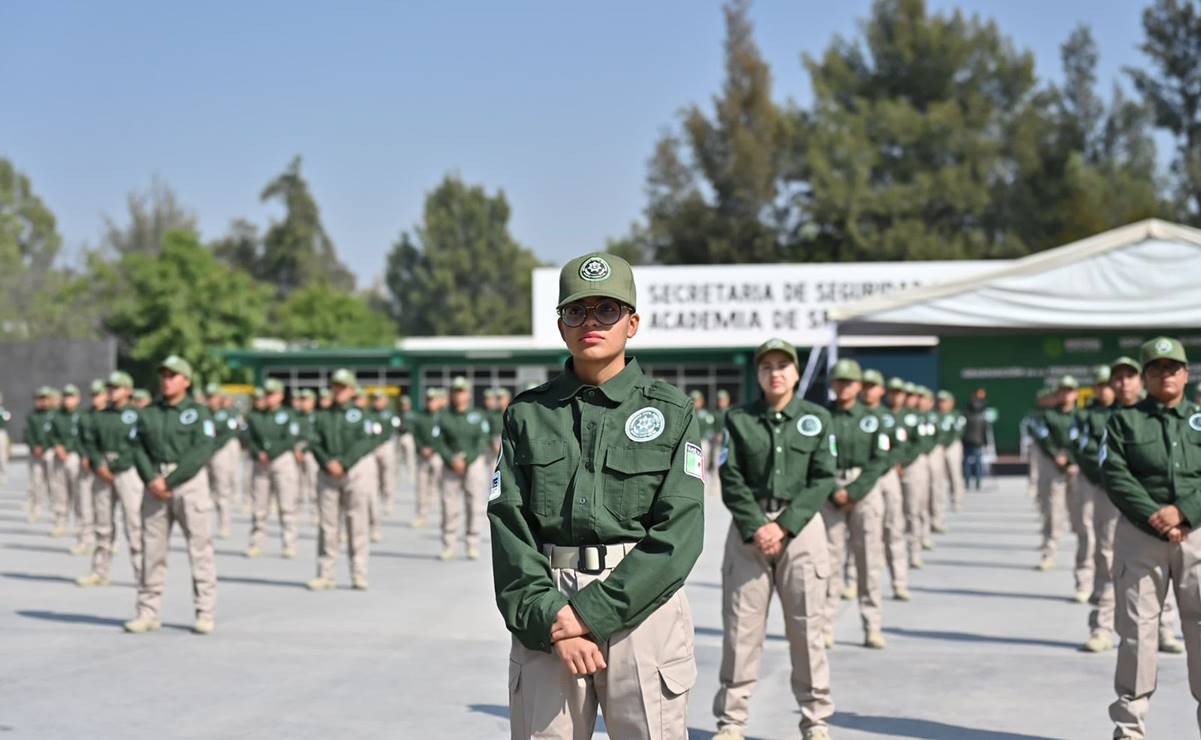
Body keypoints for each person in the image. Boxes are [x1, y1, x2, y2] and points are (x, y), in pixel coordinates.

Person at [489, 252, 703, 739]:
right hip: (549, 603)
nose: (591, 322)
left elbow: (680, 535)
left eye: (607, 310)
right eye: (577, 311)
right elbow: (508, 526)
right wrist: (552, 618)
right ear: (561, 325)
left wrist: (588, 616)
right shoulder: (528, 414)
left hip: (642, 605)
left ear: (632, 323)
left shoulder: (672, 412)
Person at [711, 337, 834, 740]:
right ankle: (732, 723)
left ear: (797, 373)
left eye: (783, 365)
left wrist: (784, 525)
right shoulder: (740, 419)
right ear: (758, 373)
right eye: (767, 366)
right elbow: (730, 477)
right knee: (741, 631)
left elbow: (823, 478)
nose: (775, 373)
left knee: (807, 629)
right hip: (750, 528)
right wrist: (758, 524)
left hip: (800, 527)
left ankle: (815, 722)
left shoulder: (816, 418)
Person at [1102, 336, 1201, 736]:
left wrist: (1184, 513)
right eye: (1156, 368)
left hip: (1196, 535)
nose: (1166, 374)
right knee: (1137, 632)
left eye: (1173, 367)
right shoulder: (1124, 421)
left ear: (1186, 373)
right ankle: (1129, 728)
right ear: (1145, 377)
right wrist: (1156, 517)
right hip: (1141, 537)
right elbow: (1116, 476)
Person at [1084, 356, 1183, 654]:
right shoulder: (1101, 416)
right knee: (1106, 558)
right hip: (1111, 495)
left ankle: (1164, 628)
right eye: (1118, 378)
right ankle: (1101, 628)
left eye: (1130, 376)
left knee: (1162, 562)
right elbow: (1091, 454)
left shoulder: (1156, 413)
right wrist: (1118, 482)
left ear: (1140, 380)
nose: (1123, 382)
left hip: (1154, 504)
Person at [124, 356, 219, 635]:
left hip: (188, 483)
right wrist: (151, 478)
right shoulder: (149, 412)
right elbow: (137, 447)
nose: (167, 380)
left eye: (173, 375)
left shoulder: (198, 412)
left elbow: (202, 449)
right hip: (155, 483)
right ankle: (147, 611)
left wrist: (171, 480)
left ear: (186, 381)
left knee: (200, 549)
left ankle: (205, 611)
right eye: (164, 375)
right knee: (151, 551)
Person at [822, 359, 891, 650]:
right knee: (828, 562)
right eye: (838, 381)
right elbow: (817, 457)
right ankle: (825, 627)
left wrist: (854, 491)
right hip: (830, 491)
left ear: (859, 386)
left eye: (849, 382)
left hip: (864, 490)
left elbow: (881, 459)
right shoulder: (823, 417)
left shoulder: (873, 419)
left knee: (868, 562)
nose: (844, 387)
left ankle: (871, 625)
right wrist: (833, 490)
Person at [307, 369, 377, 591]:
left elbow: (365, 441)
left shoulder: (361, 414)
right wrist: (328, 462)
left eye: (343, 387)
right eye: (335, 386)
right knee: (328, 526)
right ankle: (325, 574)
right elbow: (313, 441)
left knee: (357, 523)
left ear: (351, 390)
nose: (338, 391)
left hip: (354, 472)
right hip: (328, 473)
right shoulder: (322, 415)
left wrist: (344, 463)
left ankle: (359, 574)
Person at [75, 371, 143, 588]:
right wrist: (99, 463)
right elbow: (91, 442)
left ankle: (143, 573)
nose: (112, 391)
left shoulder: (137, 414)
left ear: (128, 390)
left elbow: (138, 445)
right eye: (110, 388)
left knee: (133, 523)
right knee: (102, 525)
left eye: (117, 387)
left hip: (127, 471)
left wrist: (113, 465)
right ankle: (99, 571)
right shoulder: (100, 415)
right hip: (102, 470)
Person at [434, 376, 490, 561]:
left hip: (472, 463)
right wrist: (451, 459)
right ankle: (448, 544)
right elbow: (438, 440)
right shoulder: (443, 415)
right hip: (450, 465)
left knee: (474, 504)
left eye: (462, 391)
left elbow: (482, 439)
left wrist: (468, 459)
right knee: (449, 506)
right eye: (456, 391)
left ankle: (472, 544)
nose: (459, 395)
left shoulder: (477, 415)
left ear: (468, 394)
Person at [865, 373, 910, 601]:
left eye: (872, 387)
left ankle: (899, 582)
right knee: (861, 535)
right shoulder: (858, 415)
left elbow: (900, 445)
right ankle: (852, 581)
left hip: (886, 475)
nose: (868, 391)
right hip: (863, 478)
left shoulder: (888, 417)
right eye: (865, 386)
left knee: (893, 528)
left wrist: (886, 464)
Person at [244, 379, 300, 559]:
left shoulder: (288, 414)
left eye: (272, 394)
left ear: (280, 396)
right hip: (261, 464)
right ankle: (256, 543)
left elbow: (290, 439)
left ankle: (289, 543)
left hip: (281, 461)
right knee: (259, 506)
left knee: (286, 505)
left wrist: (270, 451)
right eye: (266, 394)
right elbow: (248, 438)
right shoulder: (255, 416)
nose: (268, 397)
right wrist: (258, 452)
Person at [1033, 376, 1079, 574]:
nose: (1066, 394)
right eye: (1062, 390)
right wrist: (1058, 456)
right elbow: (1044, 438)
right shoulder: (1048, 415)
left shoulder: (1081, 415)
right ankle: (1049, 553)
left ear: (1076, 393)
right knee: (1053, 512)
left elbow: (1084, 440)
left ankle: (1086, 558)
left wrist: (1072, 459)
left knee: (1082, 516)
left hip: (1078, 468)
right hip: (1055, 467)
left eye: (1070, 390)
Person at [71, 380, 108, 556]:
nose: (95, 398)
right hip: (86, 466)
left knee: (105, 508)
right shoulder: (85, 416)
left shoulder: (110, 415)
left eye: (98, 394)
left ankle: (108, 542)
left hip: (105, 467)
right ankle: (85, 540)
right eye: (93, 395)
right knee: (84, 504)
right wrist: (83, 455)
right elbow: (77, 439)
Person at [47, 384, 83, 540]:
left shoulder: (82, 415)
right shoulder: (56, 415)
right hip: (58, 456)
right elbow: (50, 433)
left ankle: (81, 524)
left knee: (79, 493)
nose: (68, 400)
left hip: (74, 456)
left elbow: (83, 436)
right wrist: (57, 446)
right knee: (59, 491)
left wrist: (68, 448)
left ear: (77, 398)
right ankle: (60, 522)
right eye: (66, 396)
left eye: (71, 396)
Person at [205, 383, 240, 539]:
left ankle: (224, 524)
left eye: (213, 397)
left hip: (221, 451)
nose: (210, 400)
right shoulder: (205, 413)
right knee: (206, 491)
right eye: (208, 397)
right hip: (206, 452)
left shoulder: (226, 414)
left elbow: (228, 433)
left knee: (222, 488)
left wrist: (213, 447)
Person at [409, 388, 443, 529]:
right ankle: (421, 514)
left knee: (440, 486)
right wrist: (421, 448)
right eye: (429, 399)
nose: (431, 402)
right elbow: (415, 435)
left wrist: (433, 448)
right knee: (422, 486)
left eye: (434, 399)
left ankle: (441, 513)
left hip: (437, 455)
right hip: (422, 455)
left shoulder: (442, 416)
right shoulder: (420, 416)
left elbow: (444, 437)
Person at [370, 389, 402, 520]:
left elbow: (392, 430)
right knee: (374, 475)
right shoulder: (370, 413)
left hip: (386, 445)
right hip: (373, 446)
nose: (377, 402)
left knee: (388, 475)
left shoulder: (390, 414)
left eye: (380, 399)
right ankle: (375, 500)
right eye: (376, 399)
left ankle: (389, 501)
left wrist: (381, 441)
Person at [24, 388, 54, 522]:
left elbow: (55, 434)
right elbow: (28, 433)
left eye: (44, 398)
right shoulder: (32, 415)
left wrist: (45, 446)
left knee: (53, 482)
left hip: (49, 451)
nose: (41, 401)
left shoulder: (54, 414)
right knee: (36, 481)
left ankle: (55, 509)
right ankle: (37, 508)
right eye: (39, 398)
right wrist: (34, 446)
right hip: (35, 453)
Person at [938, 391, 967, 513]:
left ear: (951, 402)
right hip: (939, 447)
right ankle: (941, 503)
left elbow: (957, 432)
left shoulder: (957, 415)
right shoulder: (935, 415)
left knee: (955, 474)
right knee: (940, 476)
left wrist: (946, 443)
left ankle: (957, 501)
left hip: (953, 446)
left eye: (944, 401)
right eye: (940, 401)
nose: (942, 404)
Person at [962, 388, 990, 491]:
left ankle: (970, 482)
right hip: (974, 442)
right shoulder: (979, 415)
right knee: (975, 463)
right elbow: (985, 430)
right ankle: (975, 482)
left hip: (970, 442)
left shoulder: (967, 414)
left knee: (969, 463)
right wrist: (985, 443)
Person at [0, 391, 10, 483]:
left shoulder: (2, 410)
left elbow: (7, 419)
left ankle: (3, 476)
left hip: (1, 433)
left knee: (2, 455)